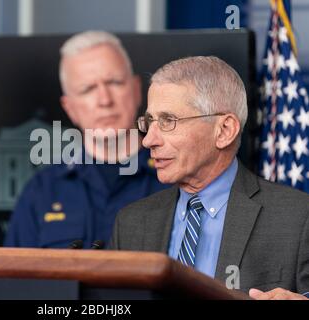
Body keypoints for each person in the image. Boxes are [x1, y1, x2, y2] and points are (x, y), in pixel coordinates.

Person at [109, 56, 309, 300]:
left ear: (224, 131)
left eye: (168, 121)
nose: (149, 140)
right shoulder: (131, 223)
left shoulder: (298, 219)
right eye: (149, 122)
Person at [4, 31, 168, 249]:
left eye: (114, 82)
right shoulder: (41, 192)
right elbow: (15, 280)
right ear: (70, 108)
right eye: (88, 89)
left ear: (137, 90)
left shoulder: (173, 179)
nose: (104, 100)